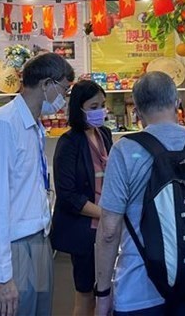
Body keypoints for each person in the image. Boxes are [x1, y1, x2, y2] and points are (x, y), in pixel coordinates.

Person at [95, 71, 185, 316]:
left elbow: (108, 230)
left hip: (140, 292)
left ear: (136, 109)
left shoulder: (124, 151)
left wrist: (103, 294)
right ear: (177, 101)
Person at [0, 52, 74, 316]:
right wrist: (2, 275)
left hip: (36, 240)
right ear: (46, 84)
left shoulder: (33, 126)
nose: (64, 99)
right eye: (64, 90)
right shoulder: (2, 126)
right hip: (10, 247)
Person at [50, 80, 113, 316]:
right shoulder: (69, 143)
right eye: (94, 106)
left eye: (103, 105)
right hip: (85, 228)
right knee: (85, 291)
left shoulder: (104, 134)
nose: (100, 111)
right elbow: (67, 195)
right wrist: (104, 213)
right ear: (79, 108)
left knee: (107, 289)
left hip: (108, 226)